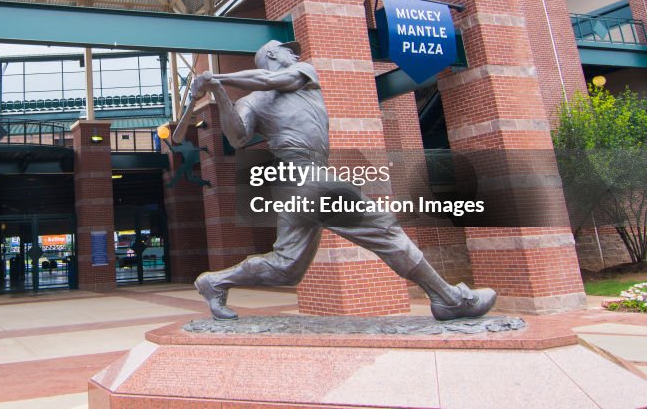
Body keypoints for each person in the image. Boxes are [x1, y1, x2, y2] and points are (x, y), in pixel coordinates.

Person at [190, 40, 496, 321]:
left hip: (297, 182)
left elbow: (275, 81)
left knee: (287, 267)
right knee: (385, 228)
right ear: (271, 54)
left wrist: (221, 79)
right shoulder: (252, 101)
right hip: (303, 175)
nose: (294, 53)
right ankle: (448, 298)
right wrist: (218, 91)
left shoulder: (301, 73)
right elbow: (237, 136)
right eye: (287, 50)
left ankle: (214, 282)